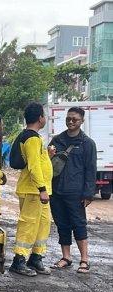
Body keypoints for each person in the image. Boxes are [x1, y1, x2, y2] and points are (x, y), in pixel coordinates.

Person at [49, 107, 97, 274]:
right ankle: (66, 257)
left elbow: (91, 169)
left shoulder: (87, 143)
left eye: (74, 119)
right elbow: (46, 164)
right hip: (56, 190)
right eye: (68, 119)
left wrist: (88, 193)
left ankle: (84, 260)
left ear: (81, 121)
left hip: (76, 192)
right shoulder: (57, 140)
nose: (70, 122)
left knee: (78, 224)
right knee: (61, 223)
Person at [9, 102, 53, 277]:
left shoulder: (34, 138)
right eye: (44, 116)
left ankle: (36, 257)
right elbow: (34, 167)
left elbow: (37, 162)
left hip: (41, 191)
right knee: (28, 224)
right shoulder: (32, 139)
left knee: (43, 224)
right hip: (33, 190)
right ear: (40, 118)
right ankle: (19, 260)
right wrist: (42, 189)